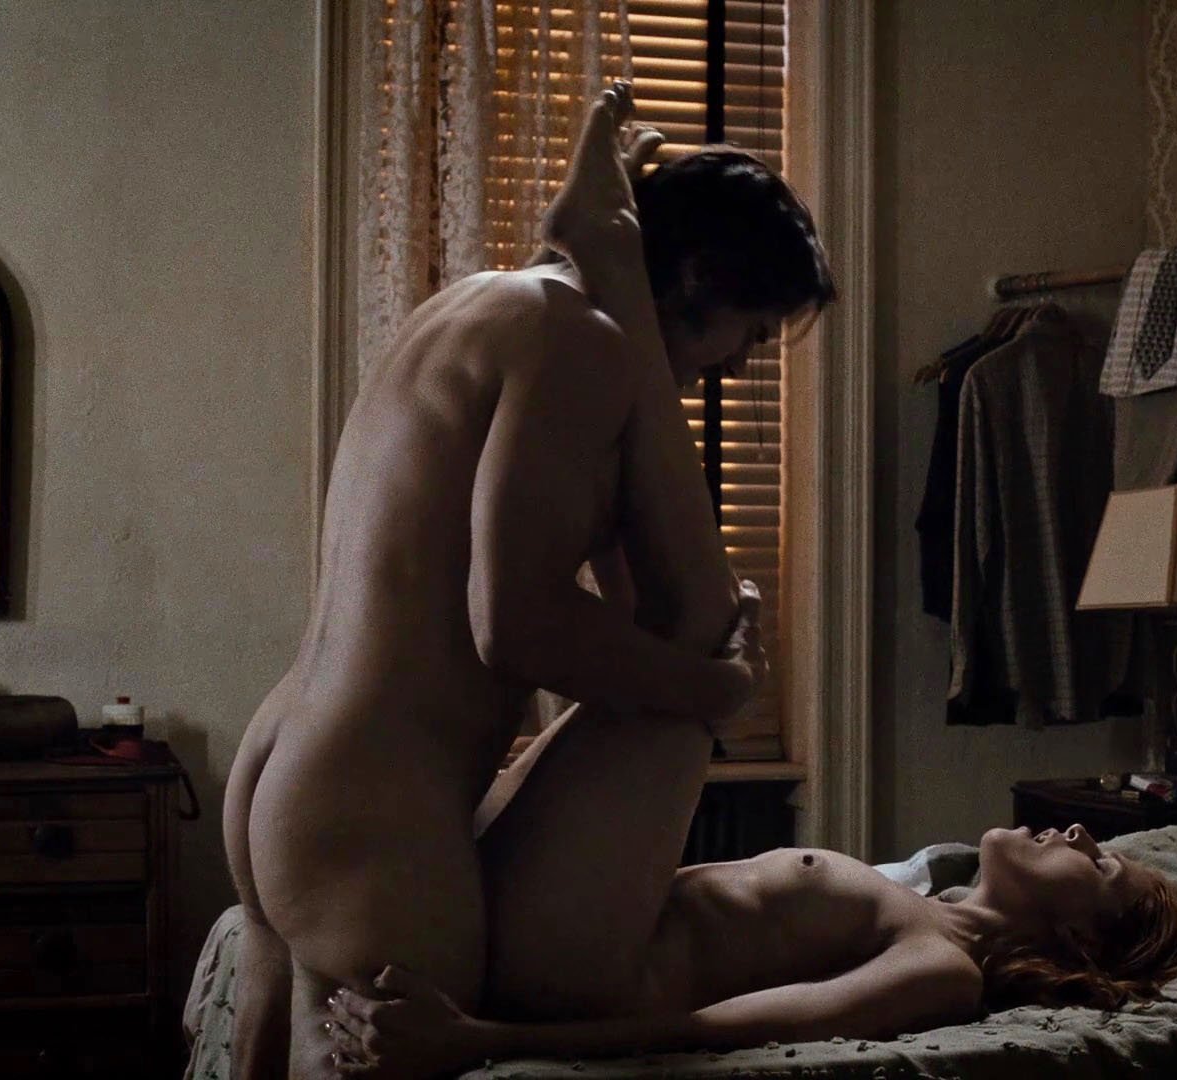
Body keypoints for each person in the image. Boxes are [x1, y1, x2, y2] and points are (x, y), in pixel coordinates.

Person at [221, 82, 836, 1080]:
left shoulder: (482, 305)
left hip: (297, 759)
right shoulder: (579, 343)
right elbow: (513, 623)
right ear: (698, 278)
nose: (738, 365)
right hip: (372, 808)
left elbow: (630, 610)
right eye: (753, 331)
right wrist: (713, 687)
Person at [323, 824, 1177, 1075]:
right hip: (556, 926)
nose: (1080, 830)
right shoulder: (922, 901)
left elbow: (715, 1029)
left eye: (1101, 861)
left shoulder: (943, 970)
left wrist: (479, 1042)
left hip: (581, 973)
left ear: (1081, 934)